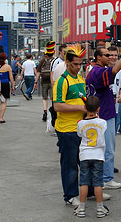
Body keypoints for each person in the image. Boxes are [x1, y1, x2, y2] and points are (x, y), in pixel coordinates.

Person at [86, 45, 121, 190]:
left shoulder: (94, 71)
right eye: (106, 55)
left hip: (101, 113)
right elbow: (114, 70)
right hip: (104, 114)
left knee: (101, 148)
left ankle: (101, 177)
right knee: (108, 149)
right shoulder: (98, 71)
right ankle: (107, 178)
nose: (109, 57)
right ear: (98, 57)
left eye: (111, 55)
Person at [53, 44, 87, 206]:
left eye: (80, 64)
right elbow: (57, 106)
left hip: (81, 128)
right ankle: (70, 195)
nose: (78, 67)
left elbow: (83, 99)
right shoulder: (62, 81)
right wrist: (81, 108)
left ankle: (91, 191)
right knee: (70, 164)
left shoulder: (80, 78)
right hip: (67, 130)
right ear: (67, 63)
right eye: (75, 64)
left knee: (86, 162)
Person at [74, 96, 109, 218]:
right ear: (98, 109)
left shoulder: (80, 124)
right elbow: (102, 130)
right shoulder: (103, 123)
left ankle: (82, 208)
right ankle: (100, 209)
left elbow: (79, 134)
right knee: (98, 183)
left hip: (84, 155)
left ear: (84, 108)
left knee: (84, 182)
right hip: (98, 155)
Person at [35, 41, 56, 122]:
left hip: (44, 81)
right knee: (51, 97)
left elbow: (38, 71)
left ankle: (45, 112)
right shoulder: (54, 60)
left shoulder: (42, 60)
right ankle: (51, 112)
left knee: (44, 98)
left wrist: (35, 82)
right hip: (52, 80)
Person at [0, 53, 14, 123]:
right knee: (4, 102)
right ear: (5, 58)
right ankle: (1, 118)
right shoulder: (8, 67)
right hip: (5, 84)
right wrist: (12, 86)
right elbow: (11, 77)